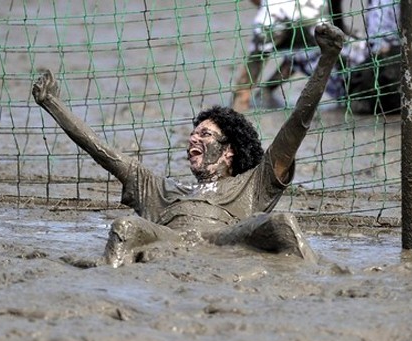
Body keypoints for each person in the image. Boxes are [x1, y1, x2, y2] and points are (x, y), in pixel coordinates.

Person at [33, 24, 345, 268]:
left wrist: (327, 60)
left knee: (283, 222)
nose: (194, 138)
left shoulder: (253, 185)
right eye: (194, 134)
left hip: (225, 239)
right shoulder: (157, 189)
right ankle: (107, 278)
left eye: (205, 135)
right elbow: (100, 149)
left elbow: (296, 126)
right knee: (126, 226)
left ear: (229, 151)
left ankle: (313, 281)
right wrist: (52, 103)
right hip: (168, 238)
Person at [232, 0, 346, 113]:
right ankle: (265, 92)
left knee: (257, 59)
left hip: (274, 14)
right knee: (301, 53)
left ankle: (239, 104)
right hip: (315, 15)